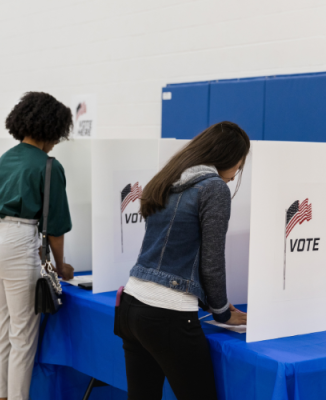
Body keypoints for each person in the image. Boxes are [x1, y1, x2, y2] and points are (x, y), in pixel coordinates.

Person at [115, 121, 250, 400]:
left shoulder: (167, 179)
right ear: (226, 156)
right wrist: (222, 311)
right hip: (167, 314)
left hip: (131, 305)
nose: (236, 175)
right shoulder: (213, 188)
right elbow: (212, 261)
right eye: (239, 164)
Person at [0, 91, 75, 400]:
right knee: (23, 336)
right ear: (53, 128)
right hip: (18, 242)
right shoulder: (49, 166)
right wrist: (61, 267)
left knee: (3, 330)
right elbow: (56, 229)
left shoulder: (6, 157)